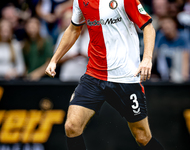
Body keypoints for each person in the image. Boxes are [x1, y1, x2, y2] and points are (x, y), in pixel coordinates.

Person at [45, 0, 164, 150]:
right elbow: (74, 29)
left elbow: (148, 27)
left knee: (143, 137)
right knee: (72, 126)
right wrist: (54, 60)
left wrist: (147, 59)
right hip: (94, 76)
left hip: (125, 77)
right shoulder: (80, 1)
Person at [54, 9, 89, 82]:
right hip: (67, 76)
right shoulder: (64, 35)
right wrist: (70, 57)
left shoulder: (92, 36)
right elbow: (56, 60)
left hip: (87, 78)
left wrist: (86, 57)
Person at [155, 16, 190, 82]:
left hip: (181, 75)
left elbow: (186, 58)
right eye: (163, 23)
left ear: (175, 24)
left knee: (178, 55)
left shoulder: (183, 37)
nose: (165, 26)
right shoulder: (160, 37)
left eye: (168, 23)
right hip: (165, 76)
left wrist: (185, 79)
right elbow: (156, 55)